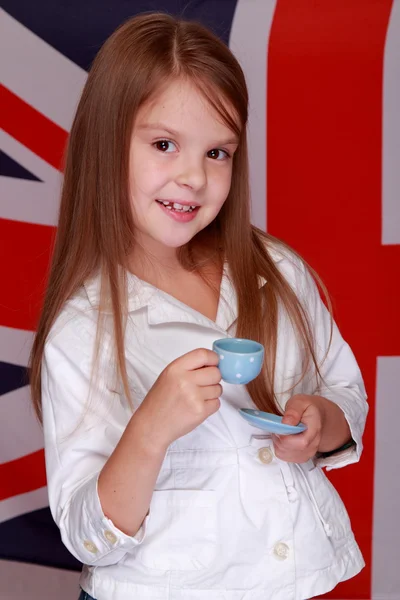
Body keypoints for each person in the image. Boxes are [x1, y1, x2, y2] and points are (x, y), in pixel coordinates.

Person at [29, 12, 368, 600]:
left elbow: (346, 394)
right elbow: (87, 536)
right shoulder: (84, 329)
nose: (193, 177)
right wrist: (149, 432)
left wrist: (320, 423)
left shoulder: (276, 271)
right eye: (164, 144)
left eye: (218, 152)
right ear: (106, 144)